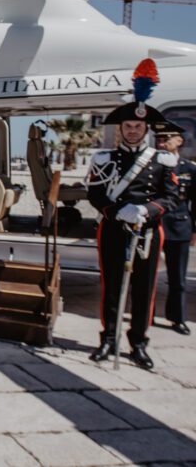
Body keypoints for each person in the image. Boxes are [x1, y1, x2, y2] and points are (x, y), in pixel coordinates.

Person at [86, 102, 179, 370]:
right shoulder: (104, 159)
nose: (133, 131)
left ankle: (138, 343)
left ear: (146, 129)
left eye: (138, 126)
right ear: (121, 129)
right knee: (112, 287)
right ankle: (109, 340)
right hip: (114, 230)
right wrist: (117, 211)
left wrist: (146, 210)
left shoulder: (162, 161)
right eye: (128, 126)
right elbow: (95, 194)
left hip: (147, 232)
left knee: (144, 290)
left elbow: (171, 198)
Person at [153, 120, 194, 335]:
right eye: (158, 139)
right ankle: (146, 314)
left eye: (166, 139)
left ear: (178, 141)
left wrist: (194, 230)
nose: (161, 143)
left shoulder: (189, 169)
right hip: (154, 226)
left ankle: (177, 319)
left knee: (178, 278)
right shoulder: (150, 166)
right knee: (147, 276)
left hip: (179, 228)